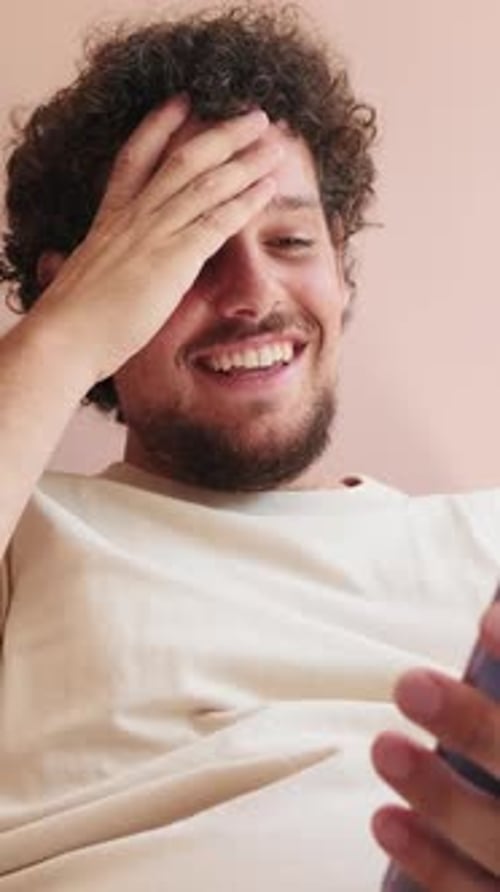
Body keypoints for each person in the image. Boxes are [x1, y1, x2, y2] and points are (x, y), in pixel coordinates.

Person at [0, 5, 498, 891]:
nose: (253, 293)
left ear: (341, 268)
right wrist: (61, 335)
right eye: (186, 252)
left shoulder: (484, 541)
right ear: (85, 288)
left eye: (293, 241)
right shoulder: (26, 537)